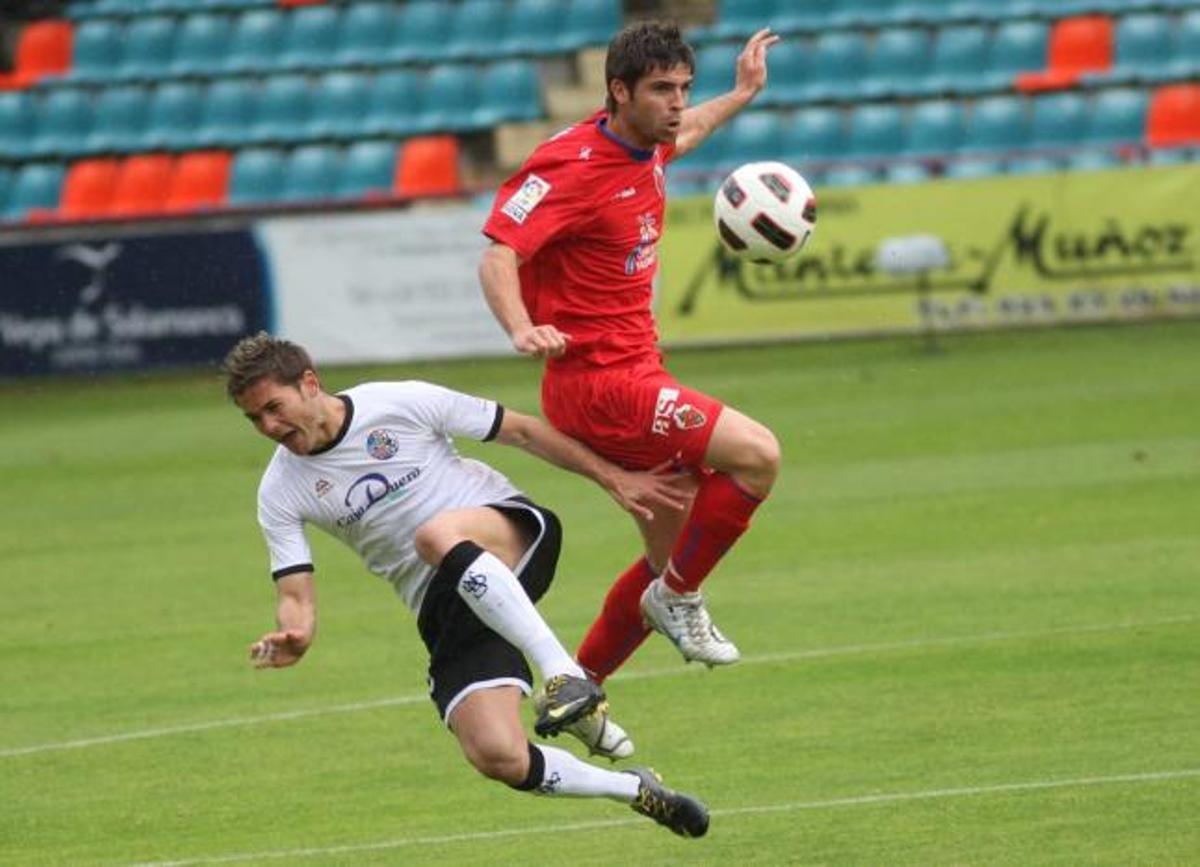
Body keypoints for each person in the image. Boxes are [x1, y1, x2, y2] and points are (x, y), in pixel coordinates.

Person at [223, 331, 708, 839]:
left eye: (273, 408)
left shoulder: (397, 401)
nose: (269, 426)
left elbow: (521, 431)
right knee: (497, 754)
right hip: (447, 608)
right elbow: (295, 595)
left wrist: (615, 479)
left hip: (511, 536)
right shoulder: (279, 490)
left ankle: (564, 673)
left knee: (433, 535)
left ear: (309, 383)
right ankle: (636, 790)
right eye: (254, 418)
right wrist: (295, 634)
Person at [478, 22, 782, 683]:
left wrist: (741, 93)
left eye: (683, 89)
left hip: (636, 370)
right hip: (601, 383)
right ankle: (677, 598)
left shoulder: (647, 144)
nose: (677, 103)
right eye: (662, 91)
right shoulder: (569, 168)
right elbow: (500, 251)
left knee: (671, 546)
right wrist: (520, 326)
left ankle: (577, 688)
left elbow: (691, 131)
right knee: (757, 455)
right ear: (619, 91)